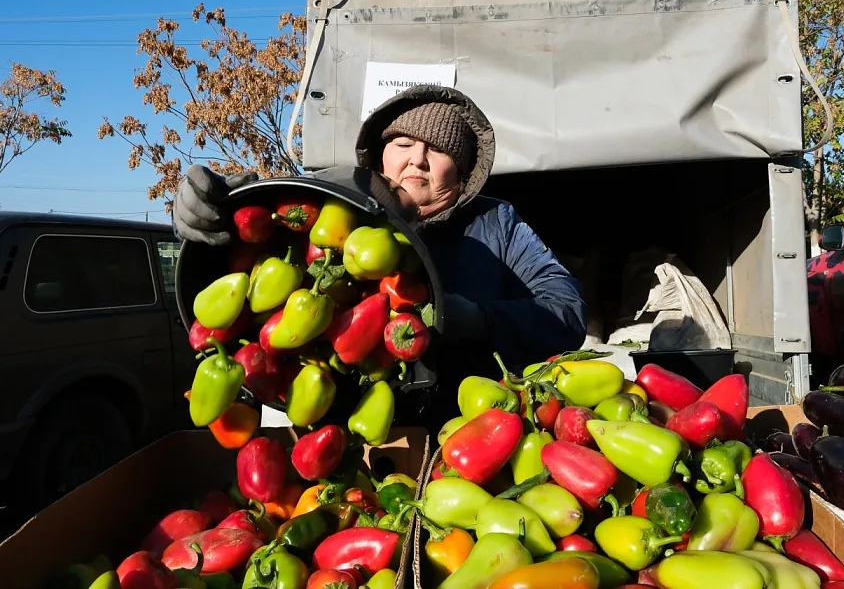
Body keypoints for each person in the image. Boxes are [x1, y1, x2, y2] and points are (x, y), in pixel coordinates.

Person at [173, 85, 588, 424]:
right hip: (347, 430)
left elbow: (566, 310)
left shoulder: (497, 223)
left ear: (461, 175)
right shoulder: (333, 204)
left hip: (475, 426)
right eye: (404, 142)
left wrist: (479, 320)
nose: (417, 160)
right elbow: (249, 246)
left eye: (439, 151)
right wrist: (211, 212)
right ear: (380, 154)